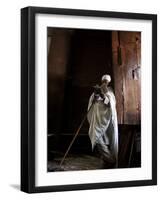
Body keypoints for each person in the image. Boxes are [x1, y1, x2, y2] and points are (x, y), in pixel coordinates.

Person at [87, 74, 118, 168]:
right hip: (97, 120)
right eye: (104, 81)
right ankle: (109, 159)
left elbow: (110, 105)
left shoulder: (110, 92)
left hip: (107, 121)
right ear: (102, 81)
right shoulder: (97, 90)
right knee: (95, 136)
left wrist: (103, 95)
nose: (105, 82)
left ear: (109, 82)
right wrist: (96, 96)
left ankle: (108, 160)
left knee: (107, 140)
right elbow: (92, 103)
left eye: (106, 81)